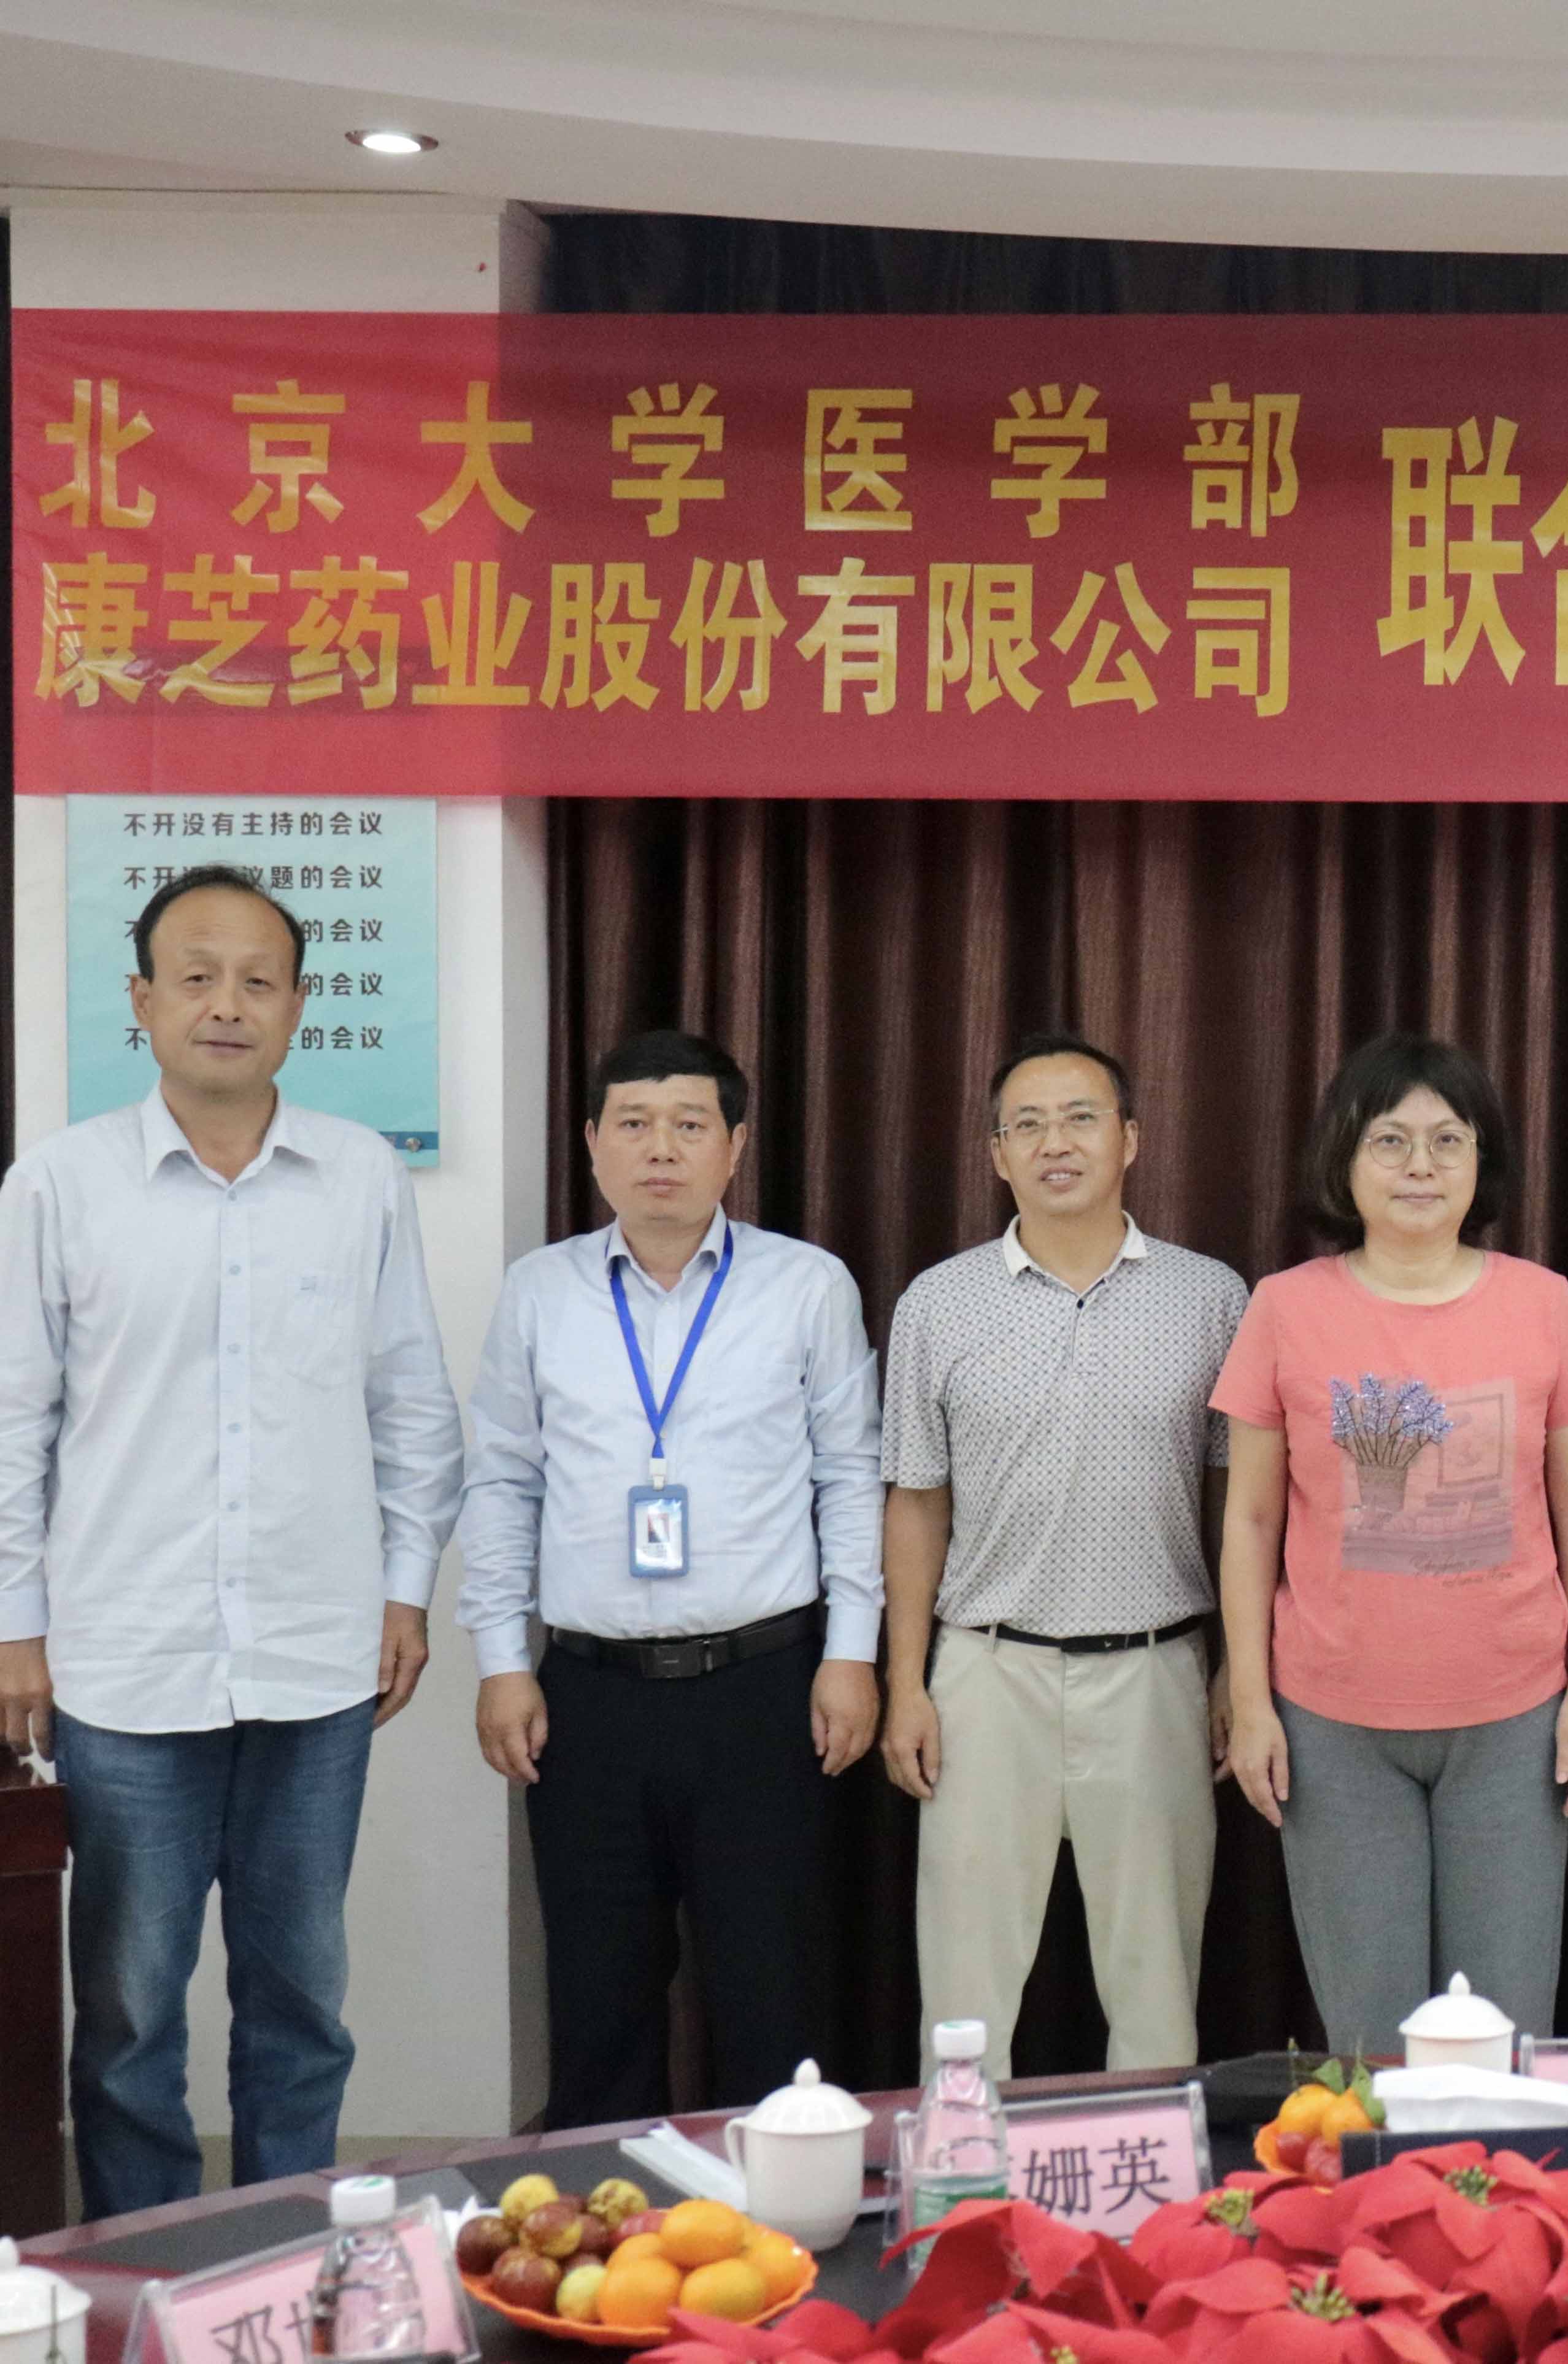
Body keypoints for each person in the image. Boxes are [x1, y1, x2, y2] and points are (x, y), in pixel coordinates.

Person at [0, 866, 462, 2216]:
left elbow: (411, 1402)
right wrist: (16, 1623)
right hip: (125, 1660)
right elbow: (14, 1417)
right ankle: (144, 2266)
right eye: (195, 976)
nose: (227, 1003)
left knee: (300, 1996)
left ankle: (287, 2258)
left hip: (317, 1658)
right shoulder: (60, 1184)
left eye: (259, 980)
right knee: (131, 2010)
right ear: (141, 1000)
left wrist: (405, 1590)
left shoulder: (358, 1175)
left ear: (300, 1007)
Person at [459, 1028, 885, 2127]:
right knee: (598, 1996)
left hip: (765, 1688)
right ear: (593, 1142)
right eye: (635, 1124)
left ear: (734, 1145)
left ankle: (785, 2213)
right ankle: (611, 2219)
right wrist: (502, 1660)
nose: (662, 1148)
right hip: (588, 1695)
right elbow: (502, 1480)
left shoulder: (806, 1285)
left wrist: (851, 1653)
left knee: (773, 1991)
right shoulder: (541, 1292)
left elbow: (850, 1477)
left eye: (690, 1124)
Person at [1211, 1035, 1568, 2052]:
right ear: (1345, 1160)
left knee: (1506, 2039)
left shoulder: (1544, 1302)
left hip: (1515, 1721)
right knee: (1372, 2046)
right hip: (1333, 1726)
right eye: (1390, 1140)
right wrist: (1252, 1702)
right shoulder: (1283, 1308)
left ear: (1483, 1160)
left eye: (1448, 1139)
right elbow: (1251, 1519)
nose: (1420, 1165)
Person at [877, 1033, 1250, 2077]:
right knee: (965, 1989)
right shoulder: (938, 1302)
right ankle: (961, 2171)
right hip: (986, 1671)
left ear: (1130, 1138)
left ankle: (1154, 2179)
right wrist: (905, 1682)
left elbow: (1244, 1501)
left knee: (1157, 1980)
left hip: (1157, 1670)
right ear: (997, 1154)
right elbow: (914, 1502)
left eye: (1082, 1117)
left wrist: (1238, 1666)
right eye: (1028, 1124)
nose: (1057, 1143)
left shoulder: (1211, 1297)